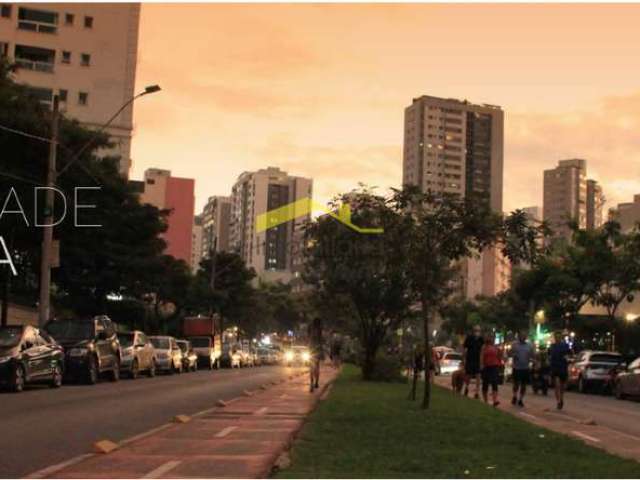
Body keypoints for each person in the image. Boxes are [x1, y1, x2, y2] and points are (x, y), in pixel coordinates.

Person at [510, 330, 535, 407]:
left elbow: (533, 355)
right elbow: (509, 353)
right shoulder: (514, 344)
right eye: (521, 335)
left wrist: (533, 360)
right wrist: (513, 355)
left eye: (524, 336)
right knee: (516, 384)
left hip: (525, 367)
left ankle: (520, 399)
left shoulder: (529, 345)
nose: (523, 337)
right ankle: (514, 396)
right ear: (519, 336)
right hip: (516, 367)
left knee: (524, 385)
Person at [549, 331, 572, 410]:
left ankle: (561, 398)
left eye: (559, 337)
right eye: (556, 337)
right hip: (555, 368)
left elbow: (569, 354)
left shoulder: (565, 346)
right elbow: (550, 357)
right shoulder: (552, 346)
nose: (558, 338)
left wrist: (567, 358)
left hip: (563, 367)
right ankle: (558, 401)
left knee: (562, 386)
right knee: (557, 384)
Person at [480, 333, 502, 407]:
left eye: (493, 337)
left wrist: (499, 364)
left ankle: (495, 400)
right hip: (486, 366)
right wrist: (482, 365)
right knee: (485, 383)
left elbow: (499, 356)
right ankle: (485, 400)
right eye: (490, 337)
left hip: (494, 366)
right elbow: (482, 356)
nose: (491, 339)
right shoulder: (484, 347)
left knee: (494, 383)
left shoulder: (496, 347)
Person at [463, 325, 484, 398]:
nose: (477, 332)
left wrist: (481, 362)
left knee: (478, 376)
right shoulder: (469, 338)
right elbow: (465, 349)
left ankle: (477, 392)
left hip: (477, 360)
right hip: (470, 359)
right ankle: (466, 387)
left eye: (478, 331)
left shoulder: (481, 339)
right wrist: (464, 359)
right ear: (473, 331)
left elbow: (482, 350)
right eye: (476, 330)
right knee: (468, 375)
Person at [308, 317, 324, 392]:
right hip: (317, 350)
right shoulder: (320, 329)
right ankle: (316, 382)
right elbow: (321, 341)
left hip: (311, 349)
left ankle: (311, 383)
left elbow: (308, 338)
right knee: (317, 366)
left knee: (311, 367)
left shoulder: (310, 328)